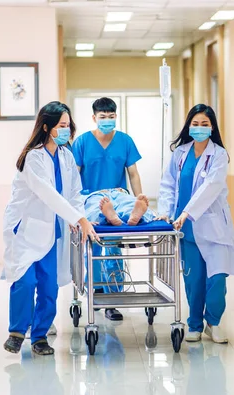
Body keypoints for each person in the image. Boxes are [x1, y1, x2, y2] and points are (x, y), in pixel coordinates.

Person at [2, 101, 98, 356]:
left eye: (68, 126)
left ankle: (40, 336)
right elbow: (48, 194)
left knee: (49, 286)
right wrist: (79, 218)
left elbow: (74, 192)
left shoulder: (66, 155)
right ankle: (16, 332)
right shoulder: (33, 157)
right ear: (47, 127)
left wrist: (79, 216)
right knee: (25, 281)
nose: (66, 130)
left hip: (52, 230)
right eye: (61, 126)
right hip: (26, 229)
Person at [157, 104, 234, 344]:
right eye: (196, 123)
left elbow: (211, 187)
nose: (200, 128)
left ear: (212, 128)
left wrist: (188, 212)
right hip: (186, 229)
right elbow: (168, 186)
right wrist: (165, 212)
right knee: (193, 280)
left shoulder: (219, 155)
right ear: (188, 125)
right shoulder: (180, 153)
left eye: (205, 124)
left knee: (216, 279)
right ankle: (194, 323)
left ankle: (213, 323)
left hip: (214, 227)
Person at [72, 97, 143, 321]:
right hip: (91, 198)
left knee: (113, 248)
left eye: (111, 117)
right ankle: (97, 291)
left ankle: (112, 300)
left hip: (117, 196)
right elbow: (74, 176)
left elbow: (133, 173)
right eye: (103, 117)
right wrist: (74, 208)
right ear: (94, 118)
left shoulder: (124, 141)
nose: (107, 120)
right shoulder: (82, 142)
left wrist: (138, 196)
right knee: (92, 250)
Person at [84, 188, 154, 226]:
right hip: (120, 192)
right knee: (128, 204)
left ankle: (107, 219)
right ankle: (131, 216)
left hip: (98, 194)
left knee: (95, 208)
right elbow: (134, 174)